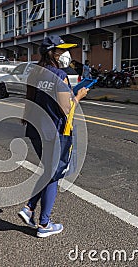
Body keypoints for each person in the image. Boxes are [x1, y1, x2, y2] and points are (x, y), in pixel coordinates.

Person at [19, 35, 89, 238]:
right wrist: (78, 96)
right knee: (54, 174)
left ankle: (30, 208)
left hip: (36, 129)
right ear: (53, 53)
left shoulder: (35, 72)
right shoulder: (59, 75)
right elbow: (66, 108)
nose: (65, 54)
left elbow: (30, 99)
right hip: (56, 132)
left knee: (49, 170)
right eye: (61, 50)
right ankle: (44, 223)